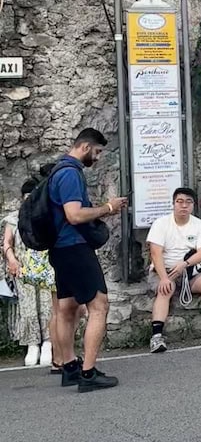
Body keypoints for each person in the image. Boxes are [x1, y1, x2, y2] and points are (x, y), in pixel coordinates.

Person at [48, 128, 126, 392]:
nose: (98, 157)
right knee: (99, 305)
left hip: (59, 249)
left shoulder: (57, 169)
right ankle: (88, 374)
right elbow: (74, 215)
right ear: (84, 147)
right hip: (75, 247)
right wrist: (108, 208)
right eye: (98, 151)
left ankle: (69, 368)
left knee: (67, 307)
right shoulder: (70, 174)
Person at [146, 187, 201, 353]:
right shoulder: (161, 224)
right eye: (179, 201)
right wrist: (164, 277)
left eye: (188, 202)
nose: (183, 206)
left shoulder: (199, 225)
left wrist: (184, 264)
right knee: (166, 289)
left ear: (193, 205)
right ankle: (156, 337)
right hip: (165, 270)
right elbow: (155, 253)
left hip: (188, 270)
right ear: (173, 204)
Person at [3, 179, 55, 366]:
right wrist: (12, 260)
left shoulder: (46, 217)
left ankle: (48, 343)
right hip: (22, 268)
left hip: (46, 267)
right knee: (28, 306)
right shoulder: (13, 219)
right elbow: (7, 243)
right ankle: (32, 344)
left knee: (48, 305)